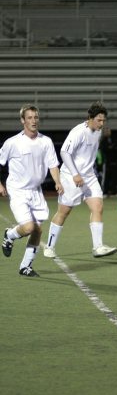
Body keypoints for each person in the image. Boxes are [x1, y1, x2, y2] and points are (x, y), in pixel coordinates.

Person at [43, 101, 117, 258]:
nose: (102, 123)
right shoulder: (78, 132)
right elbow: (64, 152)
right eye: (99, 120)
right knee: (64, 212)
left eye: (103, 120)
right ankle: (49, 247)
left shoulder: (98, 131)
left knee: (97, 207)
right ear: (90, 117)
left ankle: (98, 247)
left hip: (89, 177)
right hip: (71, 176)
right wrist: (75, 174)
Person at [0, 104, 63, 277]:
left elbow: (53, 165)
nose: (34, 121)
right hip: (19, 191)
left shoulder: (46, 141)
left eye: (36, 117)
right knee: (28, 227)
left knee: (38, 230)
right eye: (29, 118)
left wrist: (57, 181)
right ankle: (10, 235)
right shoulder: (12, 143)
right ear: (22, 120)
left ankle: (25, 266)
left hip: (36, 192)